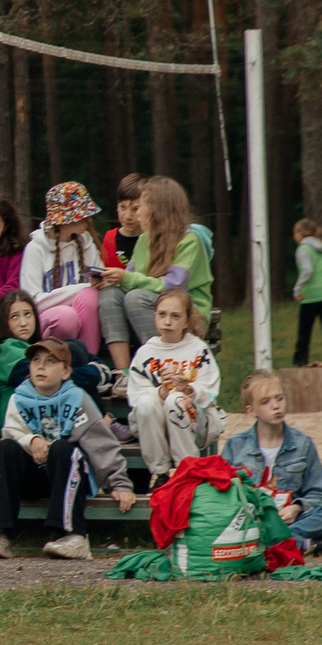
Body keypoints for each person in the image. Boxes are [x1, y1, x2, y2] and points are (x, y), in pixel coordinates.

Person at [0, 337, 132, 561]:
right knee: (4, 448)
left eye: (50, 361)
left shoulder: (77, 399)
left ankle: (74, 536)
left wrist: (119, 483)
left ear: (65, 372)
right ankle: (0, 535)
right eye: (36, 360)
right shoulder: (19, 398)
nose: (41, 366)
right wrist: (32, 440)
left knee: (63, 449)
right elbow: (12, 432)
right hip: (31, 478)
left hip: (66, 478)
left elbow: (102, 445)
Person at [223, 370, 322, 554]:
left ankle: (283, 539)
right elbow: (224, 495)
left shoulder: (302, 443)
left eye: (279, 398)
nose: (276, 406)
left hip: (292, 519)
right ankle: (301, 543)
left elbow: (318, 494)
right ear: (251, 411)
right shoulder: (235, 446)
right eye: (266, 402)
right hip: (251, 520)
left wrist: (296, 508)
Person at [101, 175, 213, 367]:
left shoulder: (189, 241)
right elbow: (131, 276)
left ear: (157, 211)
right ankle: (124, 372)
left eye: (141, 207)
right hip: (151, 308)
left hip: (186, 313)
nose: (137, 214)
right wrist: (111, 280)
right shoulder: (145, 240)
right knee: (110, 295)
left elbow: (174, 286)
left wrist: (126, 278)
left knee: (136, 297)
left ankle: (161, 365)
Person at [125, 287, 222, 477]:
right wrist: (161, 391)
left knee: (175, 400)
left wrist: (187, 389)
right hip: (154, 424)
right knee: (147, 402)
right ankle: (160, 472)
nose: (167, 321)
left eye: (175, 316)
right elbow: (136, 396)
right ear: (154, 317)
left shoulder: (197, 350)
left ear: (186, 321)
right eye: (162, 314)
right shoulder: (146, 353)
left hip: (193, 422)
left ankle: (186, 470)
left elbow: (210, 391)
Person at [18, 182, 106, 349]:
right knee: (67, 316)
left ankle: (88, 361)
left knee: (90, 296)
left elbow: (96, 286)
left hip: (84, 318)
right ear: (66, 220)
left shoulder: (86, 244)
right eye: (84, 214)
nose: (89, 219)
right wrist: (81, 288)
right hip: (48, 319)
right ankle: (56, 361)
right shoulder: (35, 249)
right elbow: (32, 302)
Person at [95, 174, 146, 370]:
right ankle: (122, 372)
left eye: (135, 209)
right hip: (115, 305)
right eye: (123, 208)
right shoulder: (109, 238)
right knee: (108, 296)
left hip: (141, 302)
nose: (128, 215)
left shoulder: (151, 239)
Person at [0, 291, 41, 431]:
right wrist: (93, 371)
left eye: (27, 314)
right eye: (14, 317)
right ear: (4, 322)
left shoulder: (35, 347)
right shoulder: (7, 348)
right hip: (15, 428)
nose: (23, 323)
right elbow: (44, 379)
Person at [291, 217, 322, 369]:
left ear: (300, 233)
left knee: (304, 331)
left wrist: (297, 289)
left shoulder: (303, 249)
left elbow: (307, 271)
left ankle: (300, 361)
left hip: (311, 296)